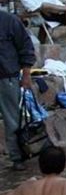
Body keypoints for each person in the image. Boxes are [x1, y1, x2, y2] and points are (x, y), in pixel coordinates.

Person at [0, 10, 36, 171]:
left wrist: (26, 74)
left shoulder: (8, 20)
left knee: (12, 120)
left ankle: (17, 157)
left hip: (6, 77)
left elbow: (25, 46)